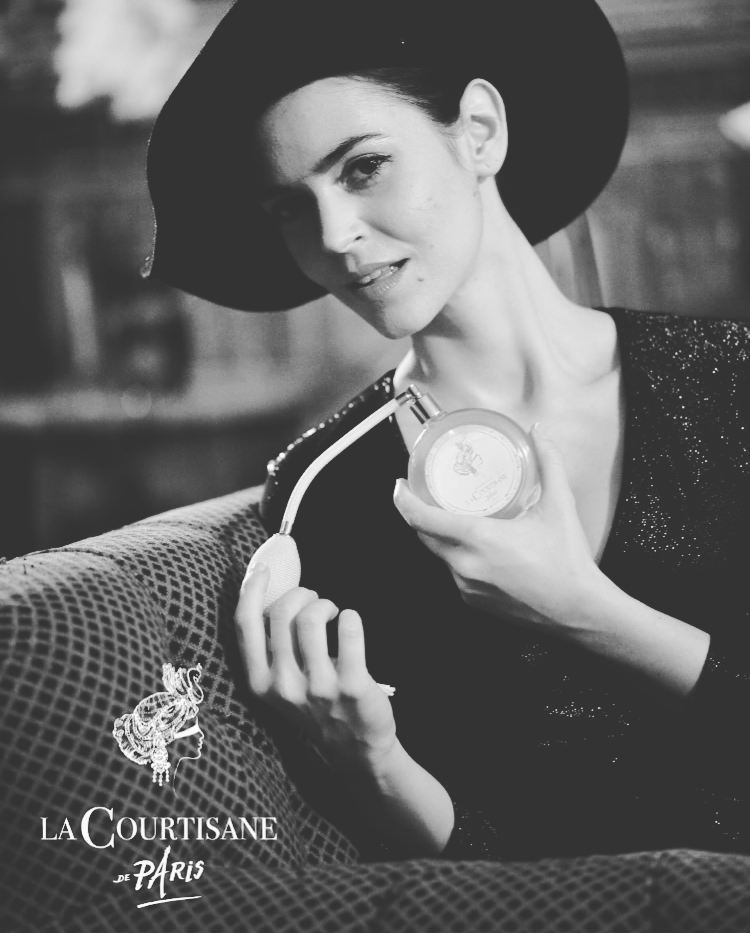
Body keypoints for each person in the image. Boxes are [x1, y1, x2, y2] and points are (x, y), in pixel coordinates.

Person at [144, 0, 750, 860]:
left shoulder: (731, 379)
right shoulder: (332, 492)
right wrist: (375, 766)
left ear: (479, 132)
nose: (334, 236)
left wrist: (584, 609)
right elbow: (482, 866)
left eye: (362, 168)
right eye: (289, 207)